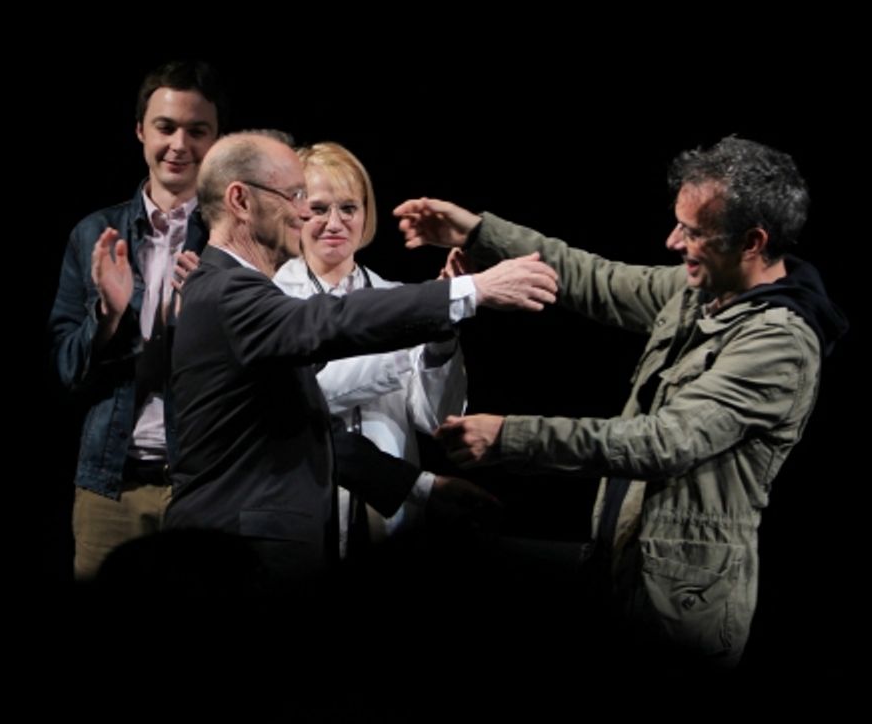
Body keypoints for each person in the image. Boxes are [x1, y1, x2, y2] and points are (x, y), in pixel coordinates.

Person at [399, 136, 848, 667]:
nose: (672, 241)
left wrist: (508, 436)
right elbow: (598, 280)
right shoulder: (705, 290)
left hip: (675, 609)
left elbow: (663, 442)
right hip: (621, 563)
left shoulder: (778, 344)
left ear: (752, 242)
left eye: (693, 231)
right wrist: (479, 231)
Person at [165, 131, 558, 582]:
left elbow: (319, 431)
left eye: (346, 207)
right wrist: (472, 291)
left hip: (308, 531)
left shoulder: (231, 288)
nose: (305, 213)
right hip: (236, 552)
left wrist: (422, 488)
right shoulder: (230, 291)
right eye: (298, 198)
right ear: (240, 200)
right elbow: (329, 325)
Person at [48, 61, 224, 579]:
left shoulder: (231, 237)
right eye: (166, 127)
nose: (179, 144)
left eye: (198, 131)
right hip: (110, 485)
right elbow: (65, 370)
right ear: (140, 131)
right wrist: (108, 314)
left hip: (207, 484)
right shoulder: (94, 234)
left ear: (217, 140)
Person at [273, 142, 490, 556]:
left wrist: (442, 332)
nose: (334, 223)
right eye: (319, 209)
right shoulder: (274, 298)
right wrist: (410, 330)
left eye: (348, 208)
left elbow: (434, 417)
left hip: (387, 514)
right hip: (299, 506)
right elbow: (311, 397)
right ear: (296, 212)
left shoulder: (397, 298)